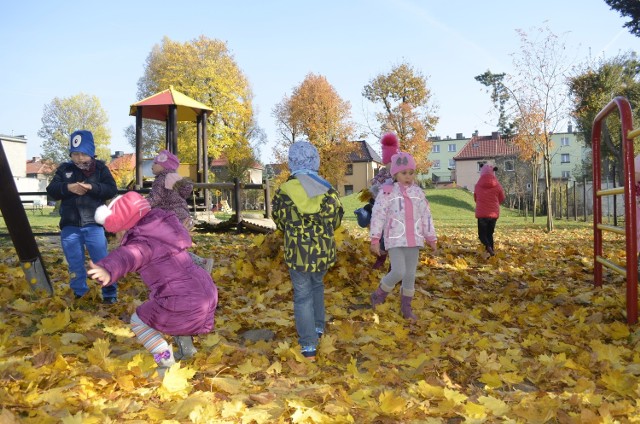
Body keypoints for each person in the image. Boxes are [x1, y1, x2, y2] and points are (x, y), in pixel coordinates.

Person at [88, 191, 218, 376]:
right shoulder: (163, 231)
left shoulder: (142, 243)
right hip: (206, 291)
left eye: (116, 233)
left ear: (125, 226)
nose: (117, 239)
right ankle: (187, 351)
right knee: (179, 319)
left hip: (182, 297)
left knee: (139, 322)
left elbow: (128, 256)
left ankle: (164, 361)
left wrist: (108, 268)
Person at [272, 141, 344, 361]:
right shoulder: (326, 189)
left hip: (298, 253)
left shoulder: (284, 191)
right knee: (317, 286)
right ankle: (318, 327)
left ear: (292, 163)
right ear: (315, 162)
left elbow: (280, 222)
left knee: (302, 295)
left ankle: (308, 345)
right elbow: (336, 220)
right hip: (322, 251)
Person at [46, 130, 119, 304]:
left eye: (83, 154)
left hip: (94, 225)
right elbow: (52, 190)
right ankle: (79, 293)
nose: (79, 158)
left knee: (102, 260)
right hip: (70, 226)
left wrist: (91, 188)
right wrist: (68, 187)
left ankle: (109, 293)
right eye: (75, 154)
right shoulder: (65, 169)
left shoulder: (100, 168)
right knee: (74, 261)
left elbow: (111, 189)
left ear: (91, 153)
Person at [369, 151, 437, 321]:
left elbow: (426, 216)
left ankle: (406, 307)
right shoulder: (387, 192)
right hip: (395, 239)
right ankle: (379, 294)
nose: (408, 177)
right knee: (398, 271)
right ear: (395, 174)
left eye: (411, 173)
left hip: (414, 239)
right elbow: (378, 215)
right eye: (403, 173)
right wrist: (375, 239)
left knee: (410, 275)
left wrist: (431, 237)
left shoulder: (418, 193)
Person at [147, 149, 213, 273]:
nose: (152, 166)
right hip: (181, 217)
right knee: (173, 247)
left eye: (155, 163)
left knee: (167, 247)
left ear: (163, 166)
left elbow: (155, 197)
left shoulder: (161, 179)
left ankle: (198, 264)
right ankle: (196, 264)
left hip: (170, 219)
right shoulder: (175, 179)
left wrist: (141, 204)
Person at [354, 132, 399, 269]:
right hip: (380, 212)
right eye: (388, 162)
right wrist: (374, 192)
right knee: (381, 238)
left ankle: (395, 263)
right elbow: (374, 187)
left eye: (393, 162)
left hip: (395, 214)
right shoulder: (382, 174)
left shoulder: (399, 175)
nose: (390, 165)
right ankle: (381, 257)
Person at [473, 164, 506, 256]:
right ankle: (491, 253)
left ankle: (488, 247)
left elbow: (475, 198)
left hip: (482, 214)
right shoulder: (497, 185)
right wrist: (495, 204)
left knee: (482, 235)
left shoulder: (478, 185)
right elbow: (502, 198)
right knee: (490, 234)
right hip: (493, 214)